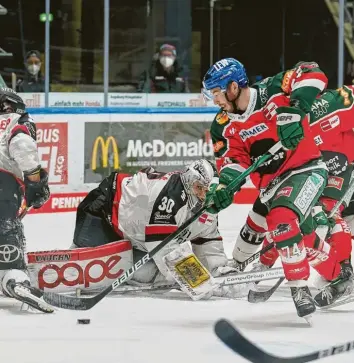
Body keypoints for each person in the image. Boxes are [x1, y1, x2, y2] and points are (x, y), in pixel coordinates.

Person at [202, 58, 330, 319]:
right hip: (271, 187)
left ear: (233, 87)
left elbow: (313, 72)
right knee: (299, 236)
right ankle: (338, 271)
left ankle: (299, 288)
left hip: (306, 169)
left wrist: (295, 110)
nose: (215, 100)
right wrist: (225, 186)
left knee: (282, 220)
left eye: (216, 93)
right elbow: (232, 161)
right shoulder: (223, 125)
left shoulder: (274, 89)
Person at [27, 160, 244, 300]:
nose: (202, 194)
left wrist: (219, 270)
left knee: (153, 273)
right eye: (198, 187)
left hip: (135, 233)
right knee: (85, 270)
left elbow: (207, 242)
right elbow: (166, 252)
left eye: (206, 189)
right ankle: (29, 274)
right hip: (103, 211)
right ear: (188, 182)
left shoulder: (208, 206)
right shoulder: (170, 197)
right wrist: (201, 282)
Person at [233, 85, 354, 307]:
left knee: (324, 217)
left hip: (342, 168)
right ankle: (266, 263)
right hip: (306, 170)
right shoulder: (271, 122)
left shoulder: (324, 107)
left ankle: (343, 272)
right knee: (281, 212)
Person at [0, 88, 51, 313]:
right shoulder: (15, 123)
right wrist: (35, 183)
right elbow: (23, 148)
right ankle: (15, 276)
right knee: (9, 232)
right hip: (3, 186)